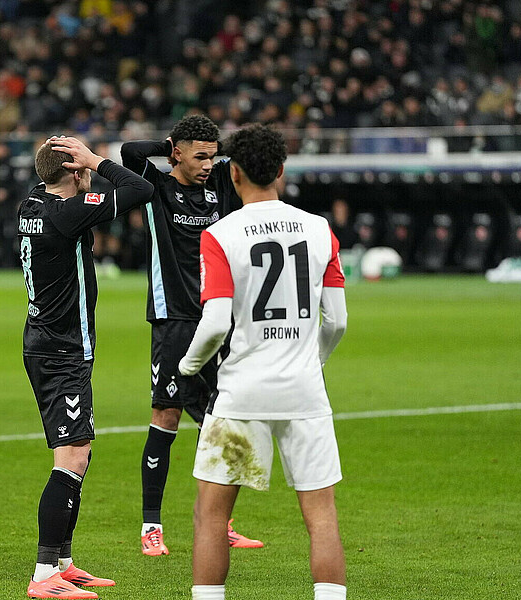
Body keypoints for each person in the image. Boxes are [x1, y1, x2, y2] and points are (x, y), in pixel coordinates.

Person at [178, 124, 348, 600]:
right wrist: (311, 362)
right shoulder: (319, 229)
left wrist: (189, 367)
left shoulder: (219, 234)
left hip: (241, 395)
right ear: (280, 170)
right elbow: (335, 321)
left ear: (233, 173)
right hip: (304, 393)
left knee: (211, 513)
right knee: (321, 516)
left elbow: (213, 325)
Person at [120, 114, 261, 555]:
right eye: (198, 155)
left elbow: (247, 154)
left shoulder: (221, 181)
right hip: (173, 319)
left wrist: (214, 151)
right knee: (167, 414)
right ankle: (151, 527)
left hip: (220, 316)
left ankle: (219, 522)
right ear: (176, 152)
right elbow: (128, 154)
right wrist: (169, 148)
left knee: (220, 418)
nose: (207, 164)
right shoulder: (156, 186)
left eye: (212, 155)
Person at [20, 136, 153, 599]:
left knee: (82, 450)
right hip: (61, 352)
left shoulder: (33, 203)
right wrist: (98, 160)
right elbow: (142, 189)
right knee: (73, 456)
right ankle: (43, 576)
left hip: (46, 344)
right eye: (83, 169)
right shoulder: (68, 213)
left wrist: (78, 169)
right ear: (74, 173)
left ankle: (63, 560)